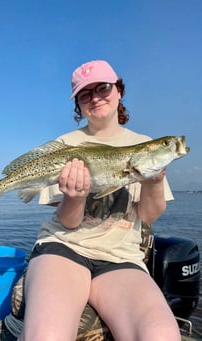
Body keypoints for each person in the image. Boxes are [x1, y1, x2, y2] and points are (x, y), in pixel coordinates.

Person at [19, 60, 181, 341]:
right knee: (46, 335)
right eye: (85, 93)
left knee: (162, 335)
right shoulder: (65, 146)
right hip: (64, 247)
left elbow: (149, 217)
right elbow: (68, 222)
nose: (95, 97)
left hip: (120, 257)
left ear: (119, 90)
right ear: (78, 104)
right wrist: (75, 197)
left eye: (103, 88)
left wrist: (153, 182)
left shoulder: (144, 145)